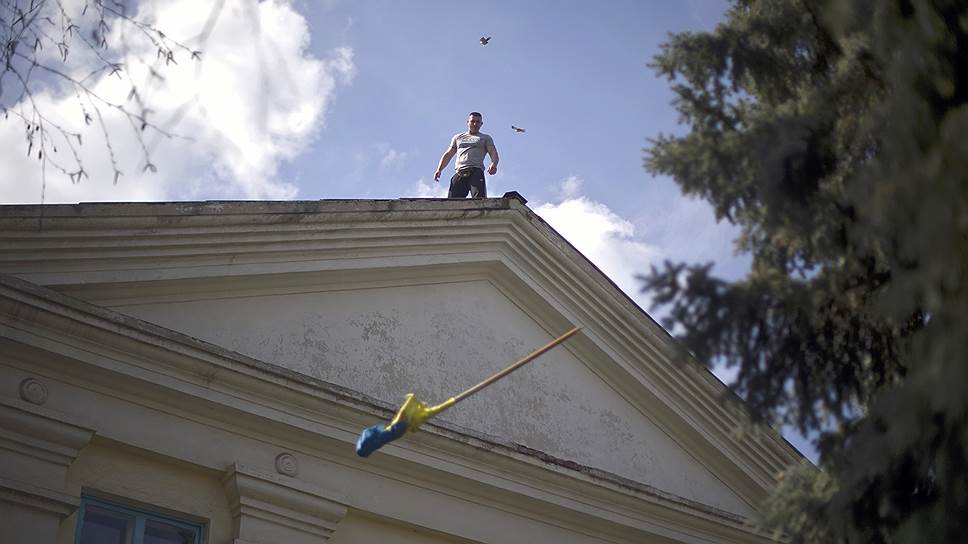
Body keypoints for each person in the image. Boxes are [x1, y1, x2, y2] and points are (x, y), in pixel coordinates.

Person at [434, 112, 499, 198]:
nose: (475, 124)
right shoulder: (458, 137)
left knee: (479, 199)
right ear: (468, 122)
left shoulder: (485, 138)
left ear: (481, 124)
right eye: (472, 121)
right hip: (460, 172)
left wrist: (494, 164)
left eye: (478, 122)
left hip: (476, 171)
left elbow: (493, 152)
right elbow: (448, 154)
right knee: (452, 201)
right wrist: (439, 169)